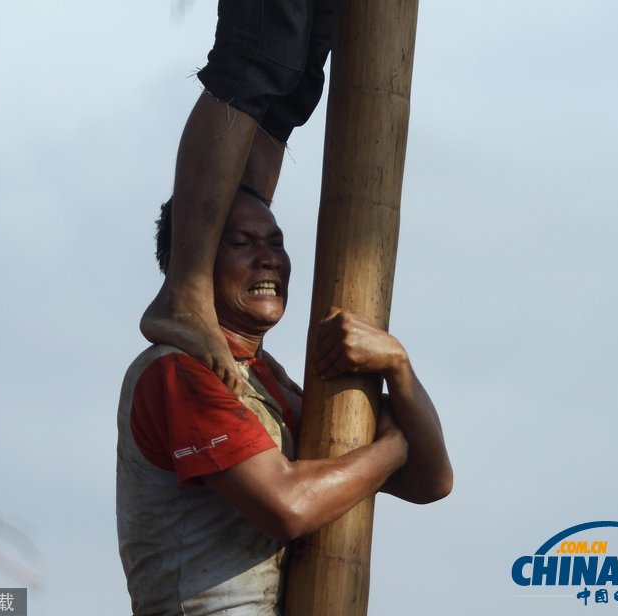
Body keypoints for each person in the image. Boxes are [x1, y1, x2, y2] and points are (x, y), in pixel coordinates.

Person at [117, 190, 452, 614]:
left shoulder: (265, 377)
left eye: (276, 243)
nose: (269, 259)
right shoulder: (179, 370)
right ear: (193, 266)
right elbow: (287, 507)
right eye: (242, 243)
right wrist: (392, 448)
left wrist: (398, 365)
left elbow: (433, 481)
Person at [140, 0, 336, 394]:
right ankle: (187, 292)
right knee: (263, 52)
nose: (267, 258)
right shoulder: (169, 374)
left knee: (296, 83)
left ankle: (226, 325)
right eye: (243, 242)